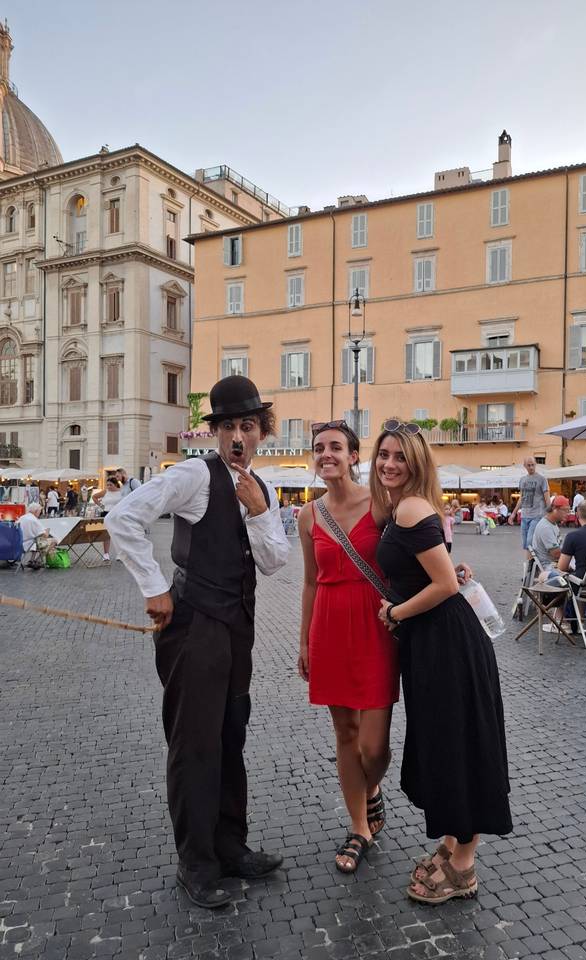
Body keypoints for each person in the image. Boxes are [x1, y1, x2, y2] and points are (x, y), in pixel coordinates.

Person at [105, 375, 290, 909]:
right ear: (215, 432)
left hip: (238, 628)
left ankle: (230, 846)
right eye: (228, 426)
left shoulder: (264, 488)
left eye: (247, 426)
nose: (237, 436)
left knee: (231, 735)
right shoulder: (193, 475)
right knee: (195, 744)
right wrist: (154, 587)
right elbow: (123, 517)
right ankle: (196, 863)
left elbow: (274, 561)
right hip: (194, 627)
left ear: (262, 432)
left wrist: (260, 511)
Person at [370, 419, 512, 904]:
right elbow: (437, 570)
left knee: (458, 745)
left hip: (446, 645)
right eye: (384, 454)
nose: (389, 464)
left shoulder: (410, 507)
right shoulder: (406, 505)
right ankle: (452, 845)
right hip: (437, 642)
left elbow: (444, 586)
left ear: (417, 464)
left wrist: (395, 613)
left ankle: (463, 865)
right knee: (451, 742)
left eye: (400, 457)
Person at [297, 420, 398, 874]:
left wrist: (449, 569)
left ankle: (371, 788)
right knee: (345, 734)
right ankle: (359, 827)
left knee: (374, 747)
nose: (326, 454)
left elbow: (413, 552)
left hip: (375, 626)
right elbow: (310, 581)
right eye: (319, 447)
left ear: (354, 456)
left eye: (336, 446)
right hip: (330, 627)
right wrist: (304, 640)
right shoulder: (308, 515)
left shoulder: (382, 502)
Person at [508, 457, 550, 558]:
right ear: (524, 466)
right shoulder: (522, 480)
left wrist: (550, 513)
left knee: (530, 541)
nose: (531, 467)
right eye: (529, 465)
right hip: (524, 515)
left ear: (535, 464)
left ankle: (532, 564)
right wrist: (513, 513)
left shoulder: (542, 479)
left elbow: (547, 497)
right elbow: (521, 498)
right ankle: (530, 563)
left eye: (533, 465)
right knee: (526, 544)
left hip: (537, 515)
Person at [557, 499, 586, 582]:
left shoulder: (572, 536)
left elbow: (562, 568)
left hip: (580, 582)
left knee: (544, 575)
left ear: (577, 515)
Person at [531, 496, 571, 572]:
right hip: (548, 565)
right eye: (565, 510)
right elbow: (556, 554)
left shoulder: (552, 523)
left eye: (568, 510)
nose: (567, 513)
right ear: (554, 509)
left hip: (553, 562)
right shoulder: (545, 527)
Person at [92, 476, 123, 561]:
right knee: (106, 534)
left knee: (117, 534)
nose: (109, 486)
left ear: (115, 484)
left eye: (110, 485)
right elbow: (94, 497)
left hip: (117, 514)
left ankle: (119, 554)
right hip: (106, 513)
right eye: (107, 485)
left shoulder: (121, 492)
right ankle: (106, 554)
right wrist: (101, 506)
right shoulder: (105, 491)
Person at [17, 503, 57, 567]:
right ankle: (37, 561)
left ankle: (32, 560)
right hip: (28, 544)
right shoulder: (34, 520)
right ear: (36, 511)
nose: (40, 513)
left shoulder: (22, 517)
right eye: (40, 511)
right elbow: (45, 535)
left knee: (36, 538)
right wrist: (47, 530)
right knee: (54, 541)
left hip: (19, 543)